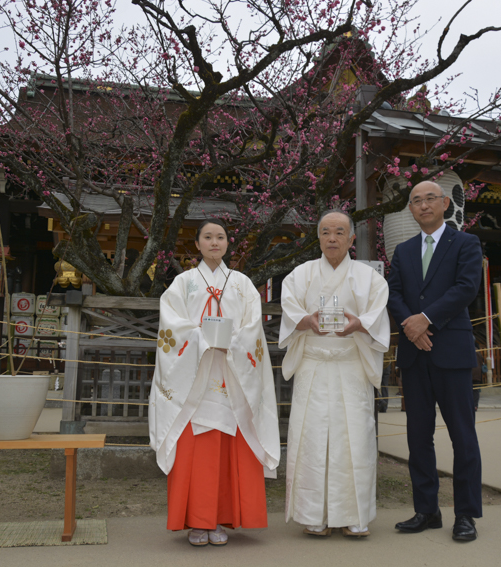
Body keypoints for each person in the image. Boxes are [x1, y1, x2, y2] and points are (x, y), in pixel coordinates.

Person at [149, 219, 280, 547]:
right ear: (197, 244)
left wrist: (232, 341)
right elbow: (171, 326)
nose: (214, 242)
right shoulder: (182, 283)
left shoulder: (242, 284)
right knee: (196, 449)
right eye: (207, 237)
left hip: (231, 373)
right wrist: (201, 339)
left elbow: (253, 328)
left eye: (220, 237)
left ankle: (222, 518)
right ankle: (197, 520)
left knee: (227, 447)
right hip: (195, 374)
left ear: (227, 244)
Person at [279, 209, 390, 538]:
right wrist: (305, 321)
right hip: (313, 365)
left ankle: (355, 514)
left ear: (352, 239)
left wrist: (360, 324)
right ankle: (314, 514)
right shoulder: (300, 274)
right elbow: (289, 308)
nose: (332, 238)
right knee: (311, 439)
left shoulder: (370, 278)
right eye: (326, 231)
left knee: (354, 439)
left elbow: (377, 313)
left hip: (351, 365)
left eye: (340, 232)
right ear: (318, 237)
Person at [387, 181, 483, 542]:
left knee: (463, 435)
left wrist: (424, 319)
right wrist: (411, 327)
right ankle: (426, 510)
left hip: (452, 353)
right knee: (418, 436)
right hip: (415, 354)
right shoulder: (403, 249)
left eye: (430, 199)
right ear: (410, 209)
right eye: (416, 201)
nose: (423, 205)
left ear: (445, 203)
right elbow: (392, 292)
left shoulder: (466, 243)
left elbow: (466, 287)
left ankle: (466, 514)